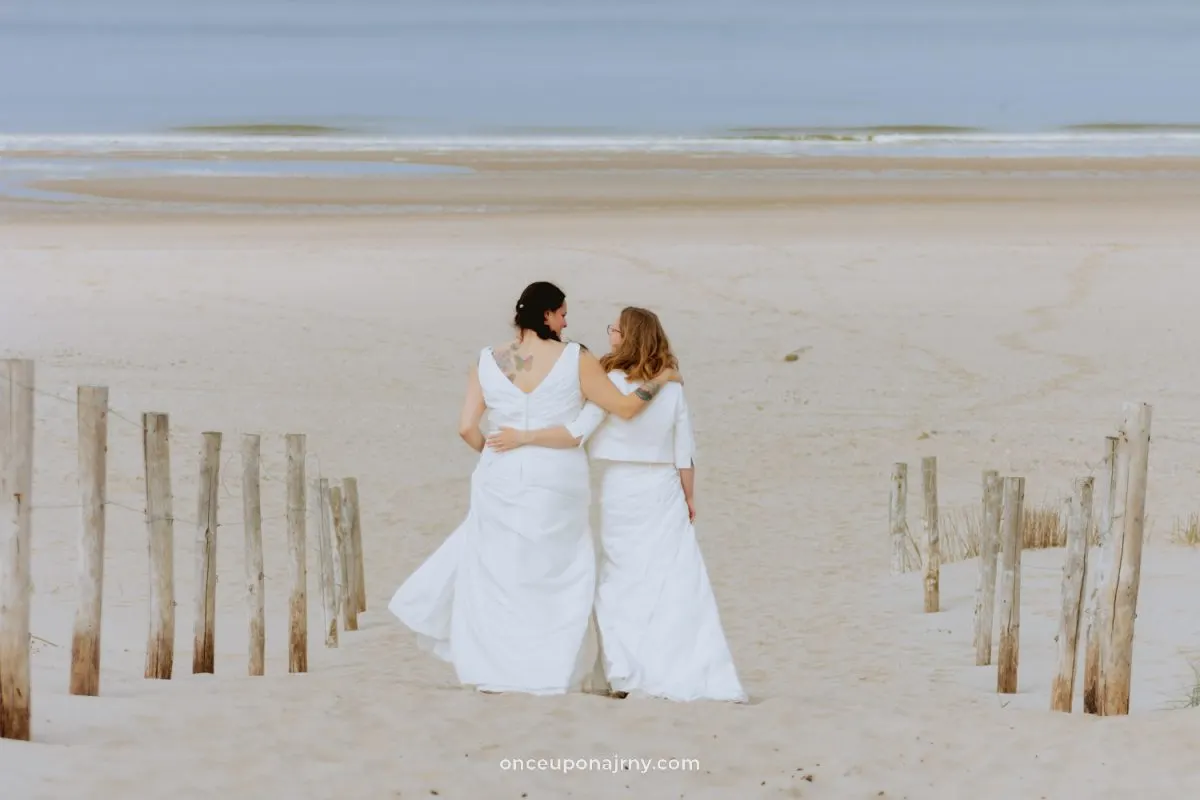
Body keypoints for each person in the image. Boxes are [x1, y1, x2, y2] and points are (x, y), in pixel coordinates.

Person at [387, 283, 681, 695]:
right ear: (546, 316)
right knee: (560, 574)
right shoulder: (576, 358)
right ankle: (553, 668)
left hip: (499, 475)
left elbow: (467, 428)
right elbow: (626, 408)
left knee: (501, 575)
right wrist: (663, 379)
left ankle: (500, 669)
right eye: (562, 313)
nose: (566, 321)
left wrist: (494, 457)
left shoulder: (487, 361)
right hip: (557, 478)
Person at [486, 306, 746, 703]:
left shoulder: (608, 382)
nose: (610, 335)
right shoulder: (672, 386)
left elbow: (577, 432)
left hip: (620, 488)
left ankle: (624, 673)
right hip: (662, 488)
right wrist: (689, 496)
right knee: (671, 578)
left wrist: (525, 437)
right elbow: (684, 453)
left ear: (629, 337)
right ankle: (679, 667)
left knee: (619, 580)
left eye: (616, 330)